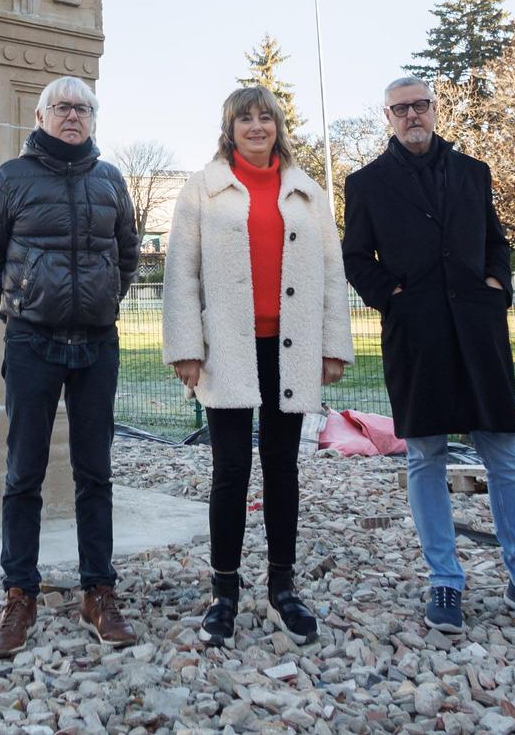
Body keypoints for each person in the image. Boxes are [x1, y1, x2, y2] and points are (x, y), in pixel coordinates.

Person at [340, 76, 515, 635]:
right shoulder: (366, 183)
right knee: (425, 455)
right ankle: (444, 581)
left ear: (434, 108)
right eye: (400, 109)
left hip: (478, 329)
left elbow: (496, 242)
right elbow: (356, 257)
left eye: (420, 105)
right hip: (417, 334)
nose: (412, 116)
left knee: (504, 455)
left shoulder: (474, 173)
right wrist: (393, 300)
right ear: (388, 117)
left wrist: (497, 285)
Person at [161, 86, 355, 647]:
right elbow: (182, 273)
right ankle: (224, 590)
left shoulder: (307, 193)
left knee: (282, 467)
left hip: (289, 348)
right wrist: (186, 348)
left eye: (264, 116)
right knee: (229, 470)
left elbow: (330, 272)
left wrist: (332, 345)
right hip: (226, 348)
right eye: (244, 118)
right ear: (229, 127)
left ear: (278, 126)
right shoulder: (203, 190)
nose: (255, 126)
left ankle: (282, 587)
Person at [0, 75, 141, 657]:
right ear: (41, 116)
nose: (73, 115)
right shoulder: (10, 179)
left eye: (83, 107)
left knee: (96, 472)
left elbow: (126, 254)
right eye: (63, 107)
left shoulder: (111, 179)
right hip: (32, 343)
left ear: (93, 118)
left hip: (97, 344)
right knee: (24, 474)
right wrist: (17, 306)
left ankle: (99, 590)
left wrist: (104, 300)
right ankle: (20, 593)